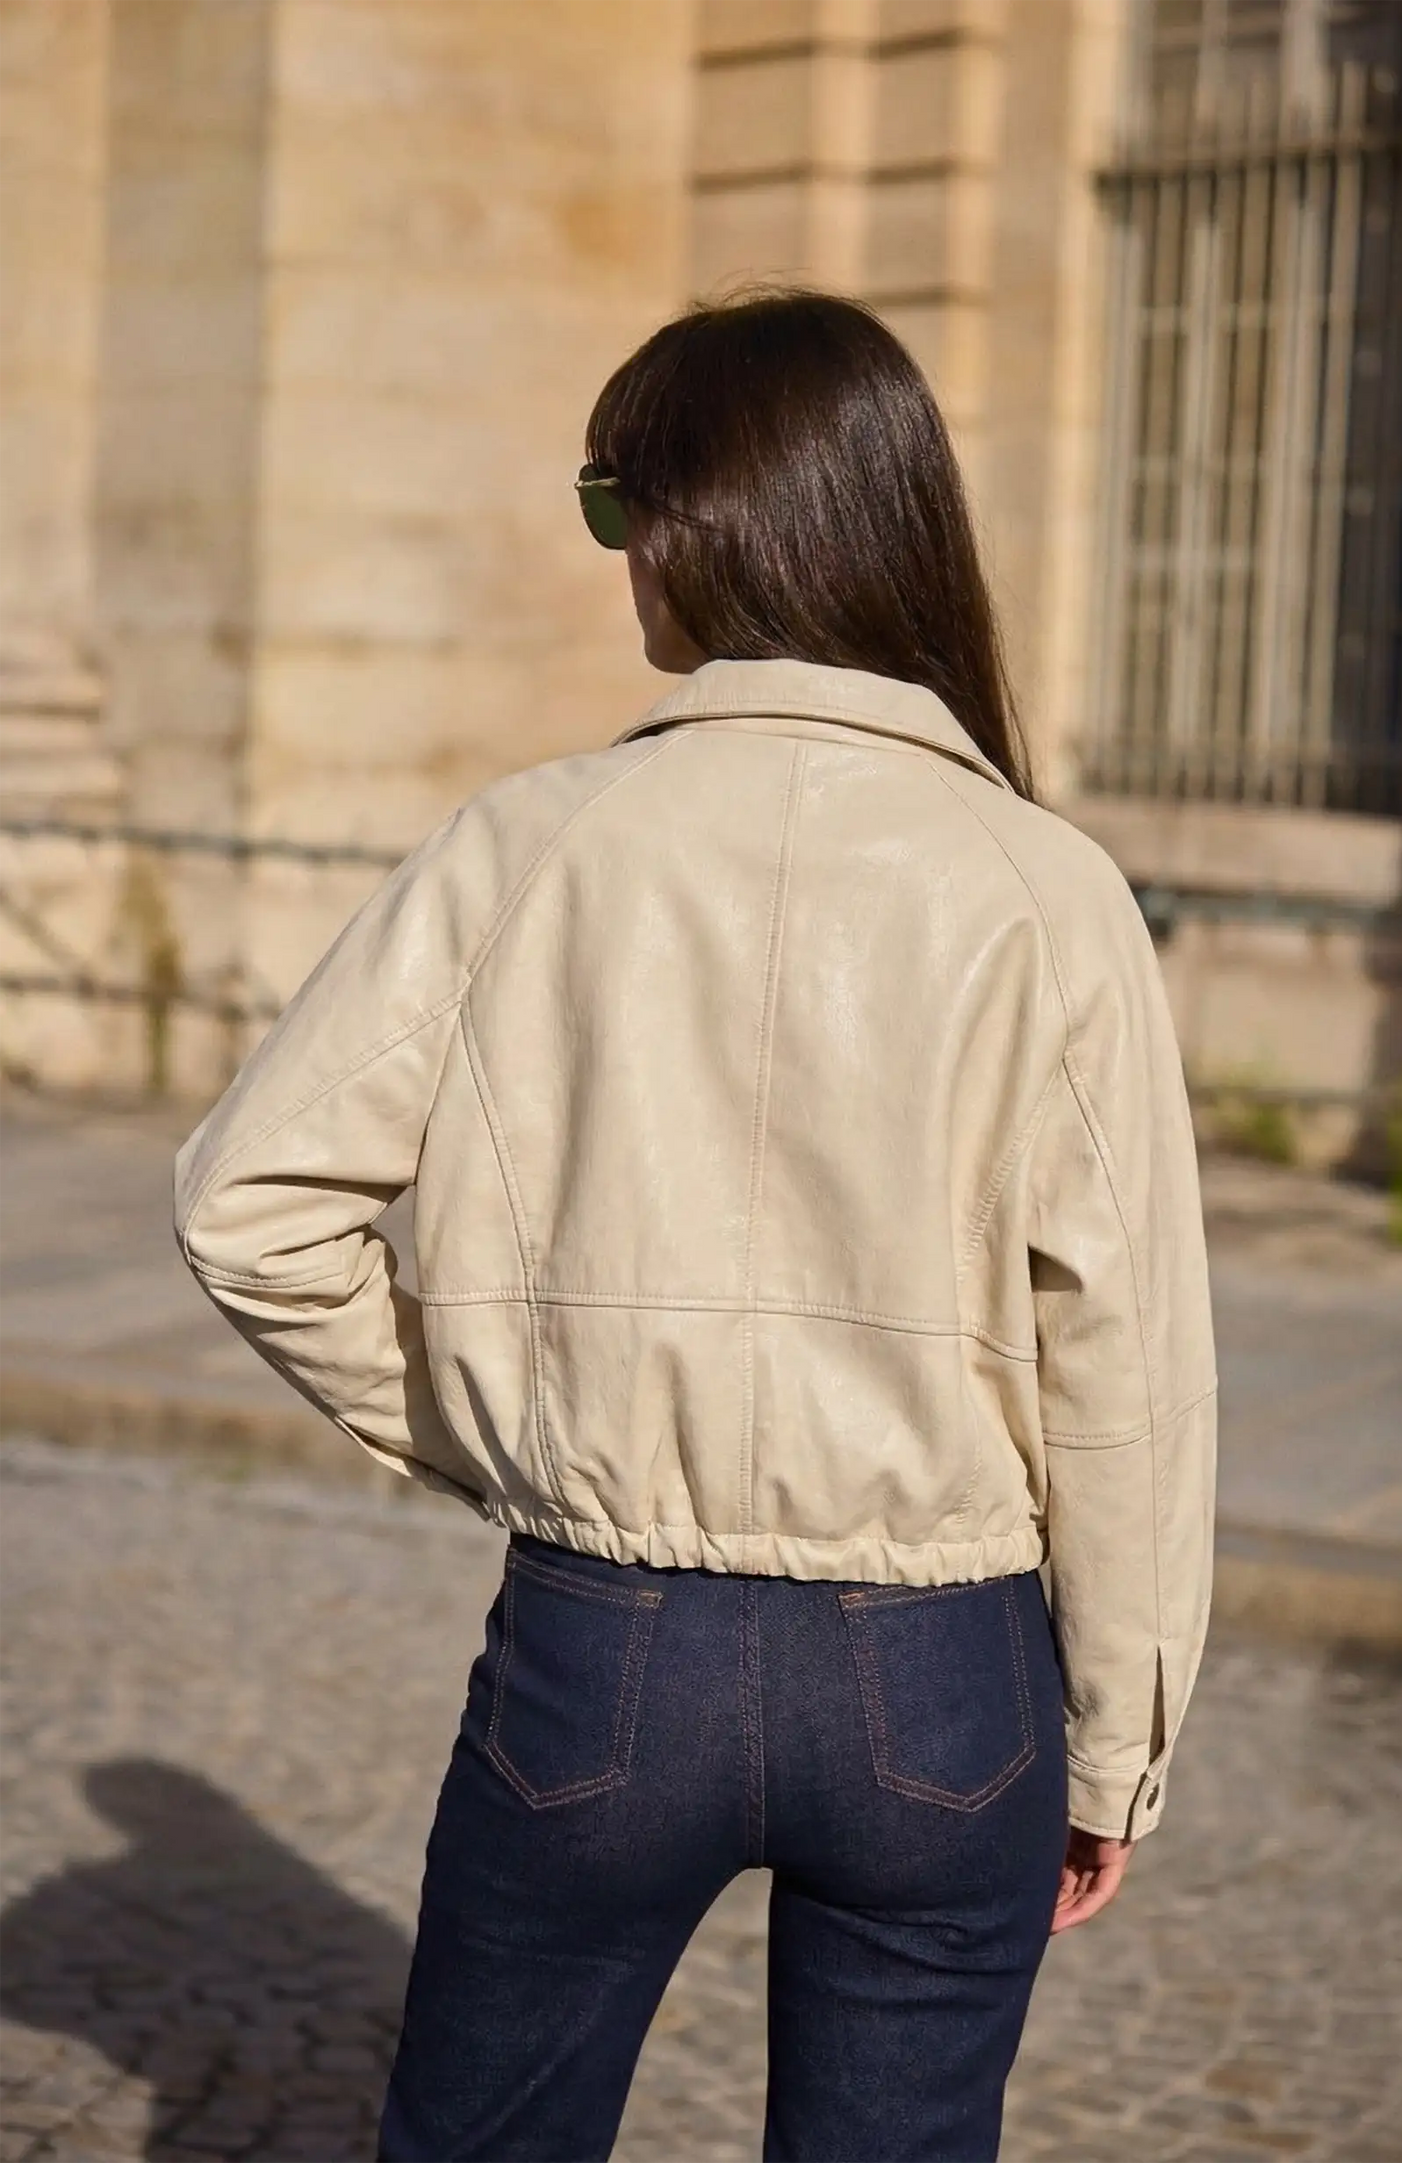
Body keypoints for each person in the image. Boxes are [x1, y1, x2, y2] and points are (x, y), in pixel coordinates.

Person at [175, 289, 1216, 2163]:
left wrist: (495, 1423)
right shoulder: (1050, 889)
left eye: (615, 502)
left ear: (708, 524)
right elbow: (1125, 1360)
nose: (616, 555)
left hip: (606, 1642)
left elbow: (248, 1207)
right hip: (945, 1672)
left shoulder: (526, 845)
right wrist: (1120, 1741)